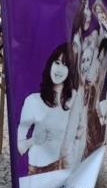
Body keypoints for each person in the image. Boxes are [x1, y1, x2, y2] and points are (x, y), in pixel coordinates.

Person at [17, 43, 75, 175]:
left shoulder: (75, 99)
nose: (59, 69)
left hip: (68, 166)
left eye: (65, 65)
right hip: (39, 168)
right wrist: (33, 140)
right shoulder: (33, 101)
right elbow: (19, 147)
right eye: (57, 62)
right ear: (50, 64)